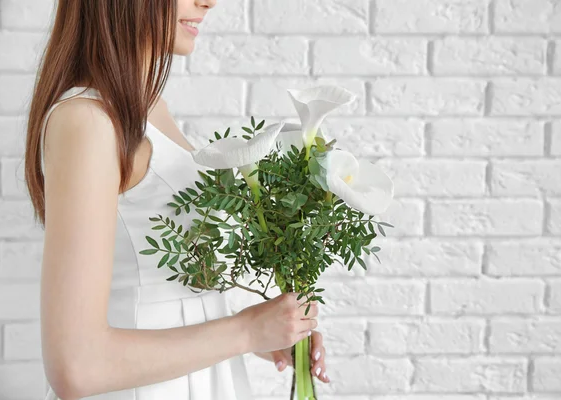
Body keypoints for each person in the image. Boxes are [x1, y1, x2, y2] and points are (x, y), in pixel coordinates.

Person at [23, 1, 330, 398]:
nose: (209, 1)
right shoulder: (87, 119)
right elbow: (76, 365)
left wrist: (265, 332)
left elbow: (163, 295)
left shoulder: (148, 110)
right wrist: (245, 330)